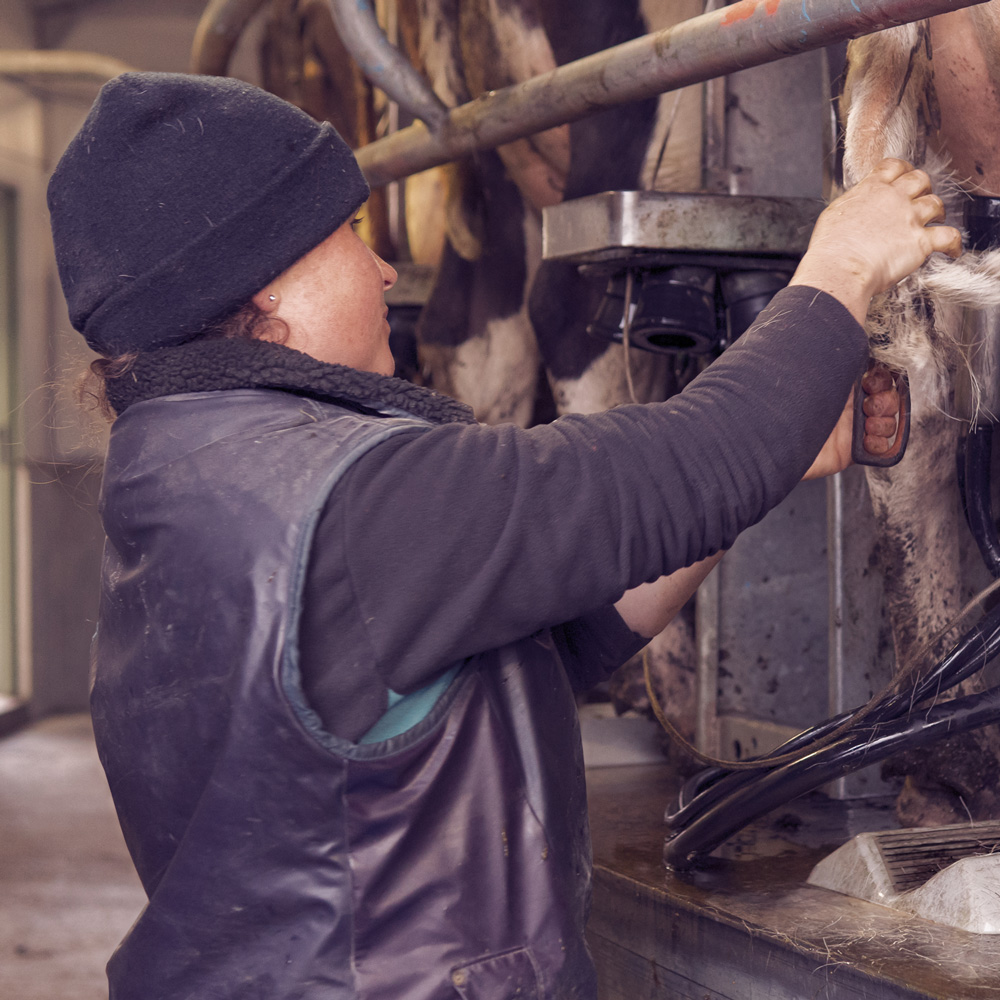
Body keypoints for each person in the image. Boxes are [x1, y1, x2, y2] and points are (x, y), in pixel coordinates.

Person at [47, 72, 959, 1000]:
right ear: (267, 287)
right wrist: (842, 265)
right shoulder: (352, 499)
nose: (384, 269)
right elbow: (686, 461)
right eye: (347, 235)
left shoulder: (202, 487)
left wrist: (782, 459)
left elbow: (523, 656)